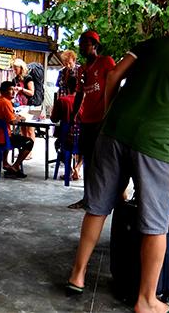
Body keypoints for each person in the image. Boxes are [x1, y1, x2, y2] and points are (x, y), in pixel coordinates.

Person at [66, 18, 169, 313]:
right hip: (157, 147)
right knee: (156, 224)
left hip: (113, 132)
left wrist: (110, 114)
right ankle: (146, 300)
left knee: (97, 207)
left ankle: (77, 275)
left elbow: (113, 76)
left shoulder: (155, 43)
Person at [68, 31, 116, 209]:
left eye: (85, 43)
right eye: (80, 43)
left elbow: (116, 83)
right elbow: (80, 93)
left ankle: (106, 198)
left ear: (94, 45)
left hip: (102, 119)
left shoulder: (106, 62)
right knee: (87, 160)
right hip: (86, 119)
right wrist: (74, 116)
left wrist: (110, 111)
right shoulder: (82, 69)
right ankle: (88, 198)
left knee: (103, 161)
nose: (81, 47)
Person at [0, 81, 34, 178]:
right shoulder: (6, 102)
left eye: (14, 90)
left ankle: (5, 163)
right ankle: (15, 166)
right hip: (3, 138)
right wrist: (19, 118)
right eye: (11, 90)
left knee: (13, 136)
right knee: (29, 142)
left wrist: (15, 116)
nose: (13, 92)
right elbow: (12, 121)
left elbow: (8, 116)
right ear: (3, 91)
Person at [12, 58, 36, 157]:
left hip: (29, 106)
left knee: (30, 129)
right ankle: (23, 151)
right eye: (13, 69)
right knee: (22, 129)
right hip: (19, 106)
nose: (14, 71)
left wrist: (21, 89)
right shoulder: (14, 79)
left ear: (21, 68)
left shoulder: (28, 78)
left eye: (16, 68)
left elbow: (31, 92)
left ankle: (29, 152)